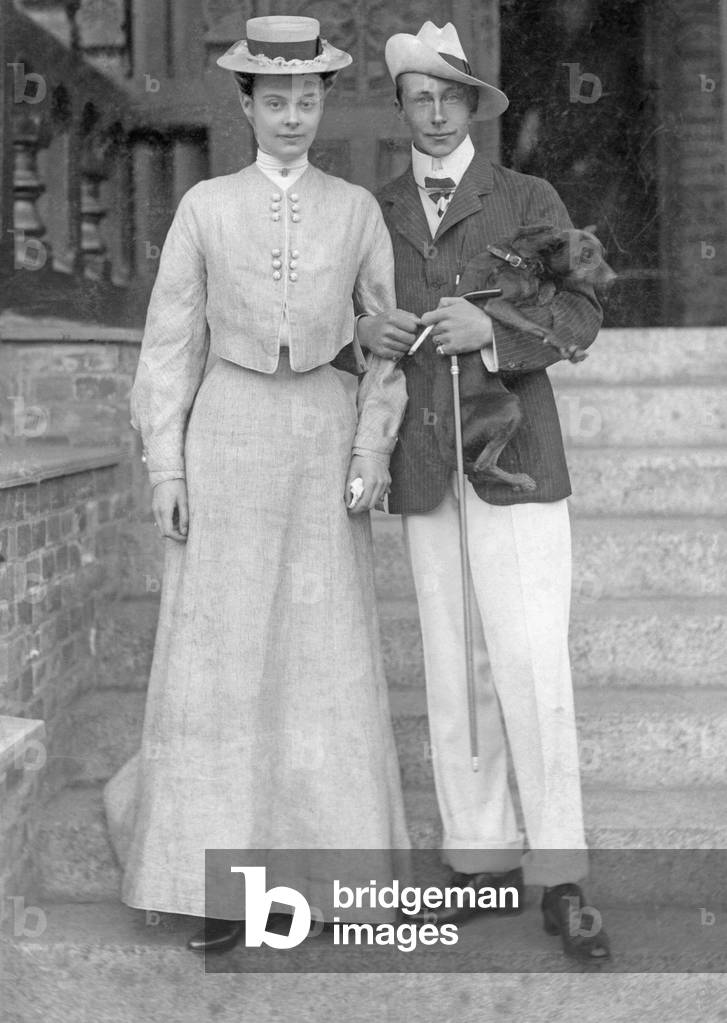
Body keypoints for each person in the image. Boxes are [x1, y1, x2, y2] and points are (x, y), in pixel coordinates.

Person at [102, 15, 409, 955]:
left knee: (322, 655)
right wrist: (166, 464)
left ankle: (328, 877)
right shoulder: (204, 208)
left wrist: (370, 452)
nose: (290, 115)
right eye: (273, 100)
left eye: (306, 99)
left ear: (321, 104)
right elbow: (169, 343)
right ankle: (212, 881)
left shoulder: (355, 209)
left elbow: (384, 346)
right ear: (245, 105)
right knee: (219, 661)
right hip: (227, 431)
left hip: (319, 433)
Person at [353, 21, 610, 962]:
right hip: (424, 462)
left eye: (446, 97)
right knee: (452, 662)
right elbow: (354, 326)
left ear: (471, 107)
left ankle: (561, 875)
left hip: (517, 469)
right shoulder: (373, 209)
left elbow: (583, 309)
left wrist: (491, 327)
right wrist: (364, 339)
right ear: (402, 110)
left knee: (531, 662)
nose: (431, 112)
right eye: (415, 98)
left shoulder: (526, 197)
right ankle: (479, 858)